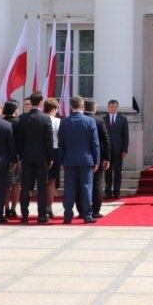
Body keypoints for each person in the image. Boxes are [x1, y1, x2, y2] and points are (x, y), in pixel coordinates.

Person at [58, 96, 100, 224]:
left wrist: (61, 160)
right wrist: (97, 160)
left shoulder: (64, 122)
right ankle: (87, 215)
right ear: (83, 107)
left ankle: (67, 215)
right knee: (86, 188)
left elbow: (61, 144)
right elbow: (95, 143)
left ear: (71, 106)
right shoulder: (89, 121)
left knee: (69, 188)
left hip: (69, 159)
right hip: (86, 159)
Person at [15, 93, 55, 223]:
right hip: (41, 157)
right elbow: (49, 140)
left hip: (26, 156)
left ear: (31, 102)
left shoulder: (23, 118)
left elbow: (19, 140)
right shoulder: (45, 119)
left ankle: (24, 215)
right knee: (42, 187)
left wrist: (20, 156)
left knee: (25, 187)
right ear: (41, 102)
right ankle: (41, 215)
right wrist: (50, 157)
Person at [102, 98, 129, 200]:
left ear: (117, 108)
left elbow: (126, 135)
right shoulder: (103, 119)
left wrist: (125, 149)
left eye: (115, 107)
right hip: (107, 151)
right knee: (107, 172)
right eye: (111, 107)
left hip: (119, 150)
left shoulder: (122, 119)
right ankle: (108, 192)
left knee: (117, 172)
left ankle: (117, 192)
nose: (113, 108)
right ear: (108, 108)